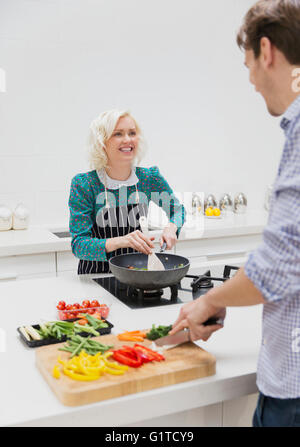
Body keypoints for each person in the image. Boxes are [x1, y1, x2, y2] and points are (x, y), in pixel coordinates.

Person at [170, 0, 300, 427]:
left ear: (267, 52)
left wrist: (208, 300)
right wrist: (227, 297)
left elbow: (278, 269)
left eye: (248, 65)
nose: (251, 81)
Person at [68, 109, 185, 274]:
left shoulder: (149, 178)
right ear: (102, 142)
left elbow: (178, 210)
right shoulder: (85, 184)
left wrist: (172, 227)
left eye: (132, 133)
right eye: (118, 134)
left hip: (138, 275)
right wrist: (121, 241)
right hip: (97, 278)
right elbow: (79, 245)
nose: (128, 140)